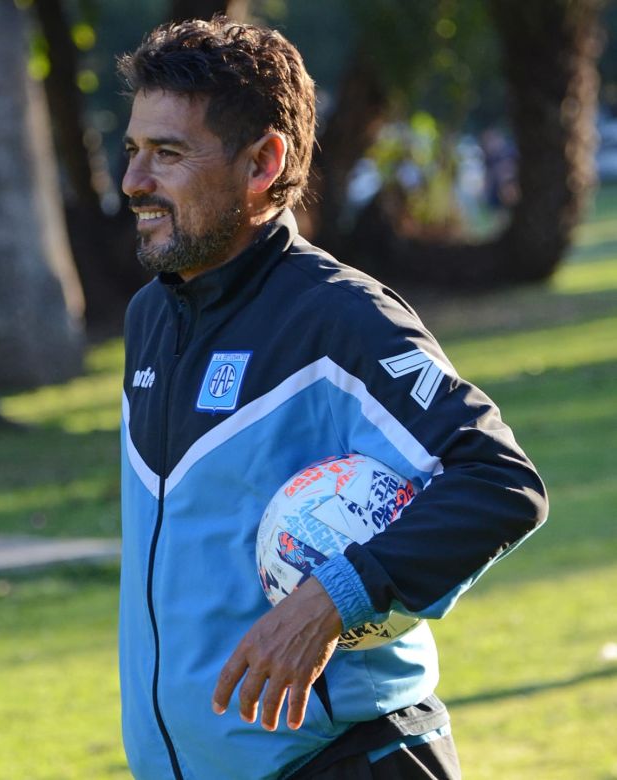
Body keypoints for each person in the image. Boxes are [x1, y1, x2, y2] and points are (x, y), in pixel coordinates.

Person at [117, 17, 547, 780]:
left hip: (353, 760)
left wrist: (333, 597)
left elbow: (498, 481)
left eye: (168, 154)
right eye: (133, 151)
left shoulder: (340, 317)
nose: (133, 182)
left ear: (262, 164)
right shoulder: (151, 317)